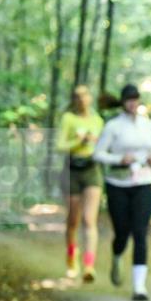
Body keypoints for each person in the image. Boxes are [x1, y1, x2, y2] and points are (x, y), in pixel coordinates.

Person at [92, 84, 151, 301]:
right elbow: (98, 154)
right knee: (122, 231)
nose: (133, 103)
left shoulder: (148, 125)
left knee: (140, 232)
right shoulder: (113, 127)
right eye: (129, 100)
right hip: (118, 183)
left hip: (144, 182)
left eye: (136, 99)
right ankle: (116, 255)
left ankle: (139, 286)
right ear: (123, 102)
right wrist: (119, 159)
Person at [56, 85, 105, 281]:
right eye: (77, 96)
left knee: (89, 219)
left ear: (90, 97)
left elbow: (102, 146)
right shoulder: (68, 119)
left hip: (92, 170)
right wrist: (79, 142)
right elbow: (60, 146)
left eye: (84, 95)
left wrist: (95, 143)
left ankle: (89, 265)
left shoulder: (98, 121)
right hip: (71, 171)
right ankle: (71, 257)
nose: (81, 99)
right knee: (73, 221)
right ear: (74, 100)